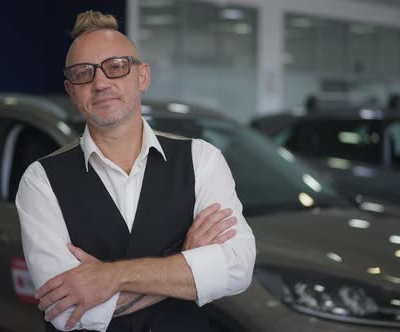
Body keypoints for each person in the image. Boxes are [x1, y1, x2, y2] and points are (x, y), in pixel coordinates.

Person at [15, 10, 256, 332]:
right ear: (72, 90)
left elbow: (237, 269)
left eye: (116, 67)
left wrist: (111, 277)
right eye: (84, 73)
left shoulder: (201, 159)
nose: (100, 83)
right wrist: (187, 263)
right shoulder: (40, 180)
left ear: (142, 76)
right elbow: (66, 310)